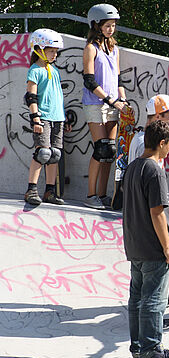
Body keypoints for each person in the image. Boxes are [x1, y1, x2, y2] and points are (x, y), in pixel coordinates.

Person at [128, 95, 169, 316]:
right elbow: (140, 182)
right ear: (157, 116)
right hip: (151, 210)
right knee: (155, 265)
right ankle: (158, 304)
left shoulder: (148, 140)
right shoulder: (143, 145)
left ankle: (166, 294)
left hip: (155, 208)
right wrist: (166, 246)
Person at [123, 120, 169, 358]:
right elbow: (157, 212)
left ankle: (137, 346)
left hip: (134, 243)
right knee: (154, 299)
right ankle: (151, 348)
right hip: (153, 245)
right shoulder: (155, 170)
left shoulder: (133, 166)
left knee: (136, 298)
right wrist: (168, 248)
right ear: (161, 142)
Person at [82, 4, 127, 210]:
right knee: (101, 149)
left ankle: (102, 194)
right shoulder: (91, 48)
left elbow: (118, 79)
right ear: (96, 25)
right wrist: (111, 100)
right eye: (107, 25)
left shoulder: (114, 49)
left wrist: (123, 101)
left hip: (113, 104)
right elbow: (89, 81)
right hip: (95, 103)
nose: (111, 29)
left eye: (113, 25)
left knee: (110, 151)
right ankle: (90, 195)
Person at [24, 29, 72, 206]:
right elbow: (31, 96)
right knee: (42, 153)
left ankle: (50, 191)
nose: (55, 54)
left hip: (57, 117)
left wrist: (64, 118)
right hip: (43, 118)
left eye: (56, 51)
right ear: (39, 49)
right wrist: (36, 118)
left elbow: (58, 96)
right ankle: (32, 190)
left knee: (55, 155)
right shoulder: (34, 70)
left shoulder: (55, 70)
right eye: (51, 51)